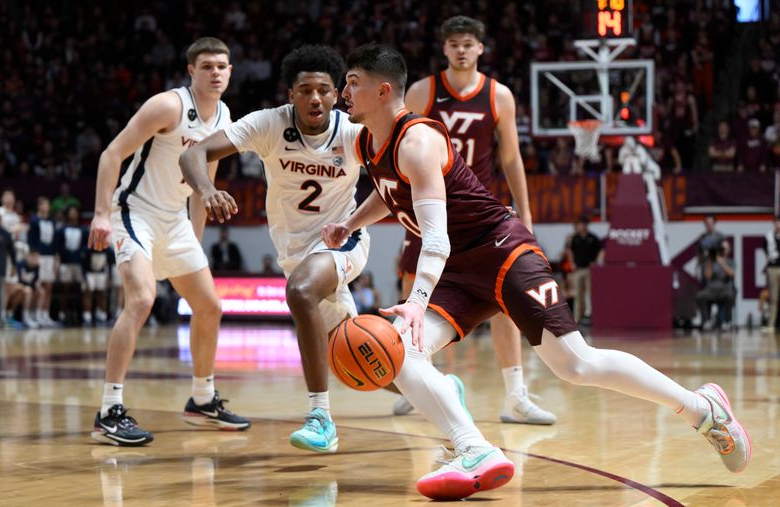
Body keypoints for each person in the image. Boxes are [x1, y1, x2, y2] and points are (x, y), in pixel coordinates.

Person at [324, 44, 749, 499]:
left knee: (576, 365)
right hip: (461, 270)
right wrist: (350, 221)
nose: (343, 90)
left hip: (503, 252)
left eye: (352, 81)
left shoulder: (418, 141)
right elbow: (390, 192)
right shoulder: (370, 140)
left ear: (383, 89)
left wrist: (416, 300)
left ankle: (702, 408)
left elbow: (437, 239)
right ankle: (475, 449)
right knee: (400, 349)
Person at [180, 45, 369, 454]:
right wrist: (207, 188)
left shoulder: (355, 132)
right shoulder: (268, 125)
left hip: (344, 240)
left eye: (323, 90)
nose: (314, 98)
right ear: (291, 95)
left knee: (300, 292)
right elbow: (193, 153)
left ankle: (321, 418)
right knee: (354, 355)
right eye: (305, 90)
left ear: (337, 95)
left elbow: (406, 171)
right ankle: (434, 384)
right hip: (295, 253)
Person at [87, 37, 250, 446]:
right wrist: (102, 214)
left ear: (231, 72)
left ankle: (202, 399)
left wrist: (194, 241)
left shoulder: (225, 117)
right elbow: (112, 153)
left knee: (210, 307)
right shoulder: (168, 106)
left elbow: (202, 186)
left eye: (222, 66)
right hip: (133, 212)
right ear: (191, 71)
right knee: (141, 300)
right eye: (207, 66)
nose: (216, 72)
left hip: (175, 221)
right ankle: (108, 410)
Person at [396, 15, 555, 425]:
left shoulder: (498, 95)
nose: (461, 50)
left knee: (503, 301)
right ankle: (415, 382)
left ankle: (516, 395)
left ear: (481, 48)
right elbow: (400, 149)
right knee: (411, 291)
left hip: (477, 213)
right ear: (444, 49)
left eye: (468, 43)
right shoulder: (423, 91)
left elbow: (511, 158)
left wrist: (527, 210)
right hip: (427, 209)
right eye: (454, 44)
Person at [28, 196, 59, 326]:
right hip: (39, 255)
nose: (45, 207)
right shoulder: (34, 220)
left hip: (50, 256)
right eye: (43, 204)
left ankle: (45, 314)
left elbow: (56, 241)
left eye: (47, 204)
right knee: (38, 287)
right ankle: (34, 313)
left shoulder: (52, 221)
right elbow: (31, 239)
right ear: (39, 206)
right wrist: (33, 254)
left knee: (49, 287)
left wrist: (57, 258)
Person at [566, 215, 602, 324]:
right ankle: (577, 317)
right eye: (580, 225)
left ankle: (591, 315)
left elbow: (600, 251)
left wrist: (595, 262)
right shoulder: (575, 238)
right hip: (578, 269)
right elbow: (570, 251)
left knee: (590, 294)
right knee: (578, 294)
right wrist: (572, 263)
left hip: (589, 269)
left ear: (586, 225)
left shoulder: (593, 238)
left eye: (583, 224)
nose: (581, 227)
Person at [696, 240, 736, 331]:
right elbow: (707, 276)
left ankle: (727, 322)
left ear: (728, 250)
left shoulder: (730, 262)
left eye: (725, 248)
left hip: (724, 288)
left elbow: (731, 274)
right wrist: (711, 260)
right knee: (700, 296)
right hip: (711, 289)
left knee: (730, 296)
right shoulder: (709, 261)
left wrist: (721, 261)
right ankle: (706, 321)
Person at [765, 215, 780, 331]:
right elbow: (771, 255)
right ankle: (772, 324)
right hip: (773, 268)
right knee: (773, 297)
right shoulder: (769, 237)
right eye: (776, 222)